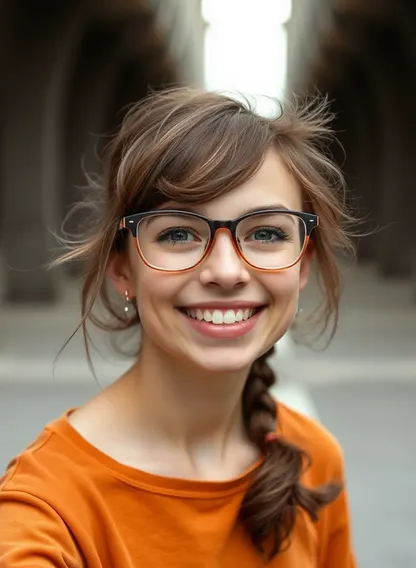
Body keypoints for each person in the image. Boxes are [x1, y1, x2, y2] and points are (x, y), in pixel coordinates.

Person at [0, 88, 357, 567]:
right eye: (179, 233)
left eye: (267, 233)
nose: (227, 271)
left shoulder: (314, 460)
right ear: (122, 266)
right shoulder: (46, 508)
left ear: (303, 263)